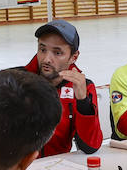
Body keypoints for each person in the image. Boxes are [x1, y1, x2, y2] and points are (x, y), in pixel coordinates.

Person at [20, 18, 103, 157]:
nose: (46, 59)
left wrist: (83, 102)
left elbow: (90, 147)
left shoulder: (84, 87)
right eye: (42, 49)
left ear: (73, 57)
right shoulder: (16, 81)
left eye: (57, 53)